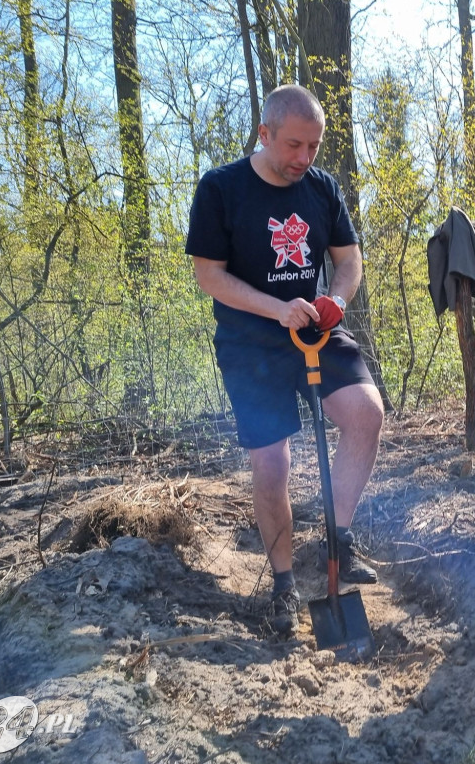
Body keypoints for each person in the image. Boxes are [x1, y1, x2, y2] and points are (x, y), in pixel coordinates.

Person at [185, 84, 384, 636]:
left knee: (366, 413)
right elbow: (210, 277)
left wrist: (336, 301)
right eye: (293, 145)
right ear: (264, 134)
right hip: (252, 345)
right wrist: (278, 309)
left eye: (314, 147)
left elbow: (348, 261)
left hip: (318, 329)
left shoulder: (322, 189)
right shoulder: (221, 188)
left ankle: (339, 541)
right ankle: (283, 584)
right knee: (273, 464)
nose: (304, 158)